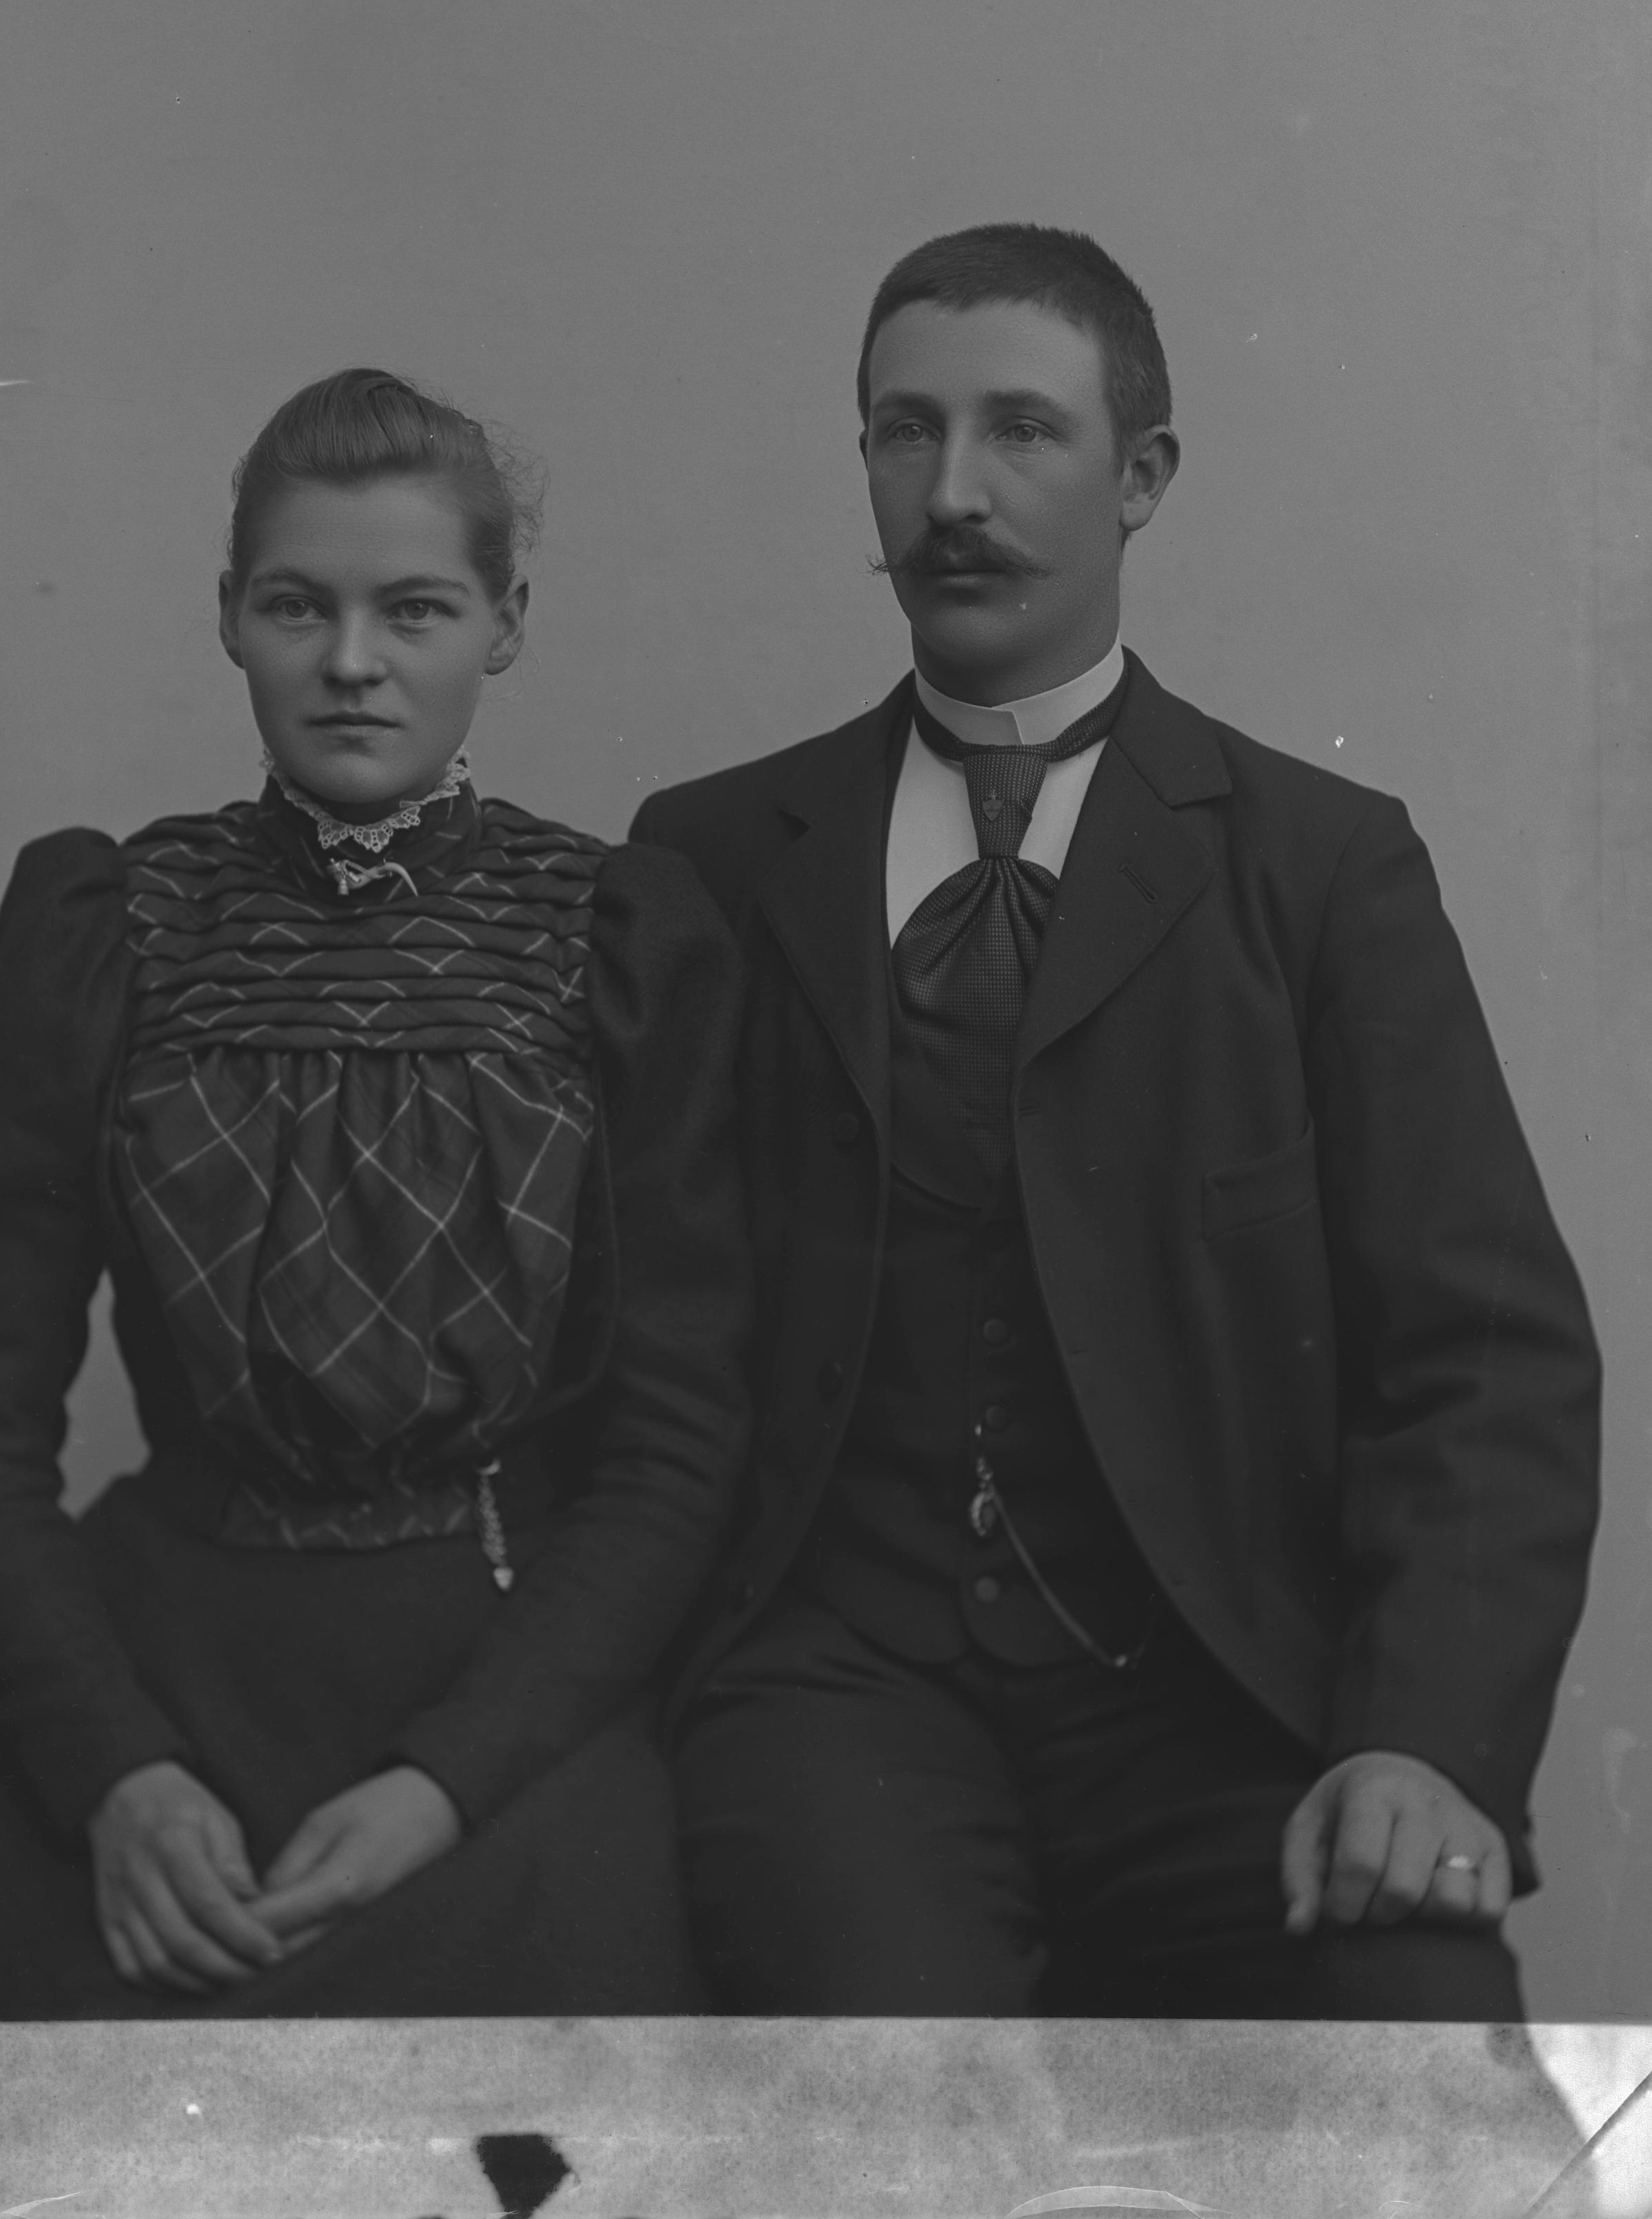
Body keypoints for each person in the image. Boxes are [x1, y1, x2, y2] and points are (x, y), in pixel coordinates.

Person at [630, 224, 1601, 2020]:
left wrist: (1417, 1739)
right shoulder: (715, 858)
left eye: (1020, 431)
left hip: (1221, 1700)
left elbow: (1480, 1359)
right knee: (885, 2093)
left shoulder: (1314, 869)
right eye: (904, 432)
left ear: (1139, 476)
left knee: (1413, 2052)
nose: (952, 494)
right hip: (838, 1697)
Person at [0, 368, 749, 2020]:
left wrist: (447, 1780)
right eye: (299, 605)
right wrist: (113, 1772)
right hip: (164, 1682)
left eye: (415, 608)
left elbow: (680, 1443)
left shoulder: (621, 938)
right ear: (229, 616)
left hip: (509, 1679)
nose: (352, 661)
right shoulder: (107, 927)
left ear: (505, 625)